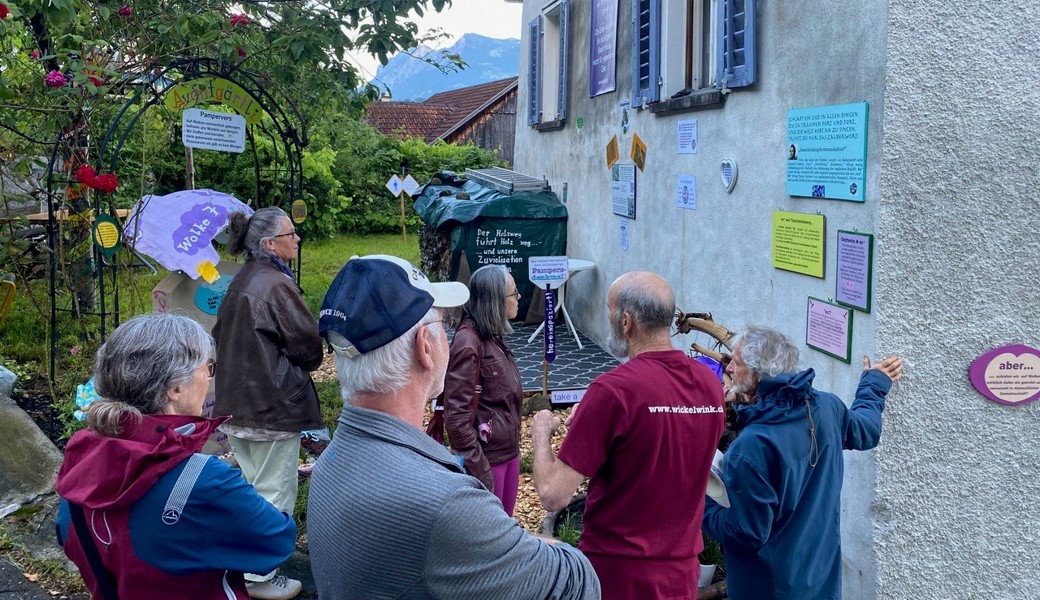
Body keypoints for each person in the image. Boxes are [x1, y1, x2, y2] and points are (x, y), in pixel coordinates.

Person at [307, 254, 601, 600]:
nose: (452, 331)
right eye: (442, 322)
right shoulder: (446, 505)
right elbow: (580, 583)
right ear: (425, 349)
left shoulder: (329, 463)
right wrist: (517, 541)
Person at [54, 313, 297, 600]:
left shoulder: (81, 456)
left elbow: (65, 533)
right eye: (208, 367)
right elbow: (276, 541)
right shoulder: (203, 481)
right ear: (175, 388)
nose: (209, 377)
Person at [532, 271, 726, 599]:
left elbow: (553, 494)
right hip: (681, 572)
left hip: (619, 573)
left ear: (626, 322)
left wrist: (540, 433)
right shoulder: (709, 385)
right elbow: (665, 445)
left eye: (609, 313)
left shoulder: (613, 391)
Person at [700, 325, 904, 600]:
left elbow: (745, 533)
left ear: (757, 372)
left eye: (736, 362)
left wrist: (701, 504)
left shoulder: (750, 448)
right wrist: (873, 384)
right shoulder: (827, 408)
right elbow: (867, 430)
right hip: (821, 582)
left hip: (767, 589)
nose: (730, 369)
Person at [212, 206, 321, 599]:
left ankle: (244, 564)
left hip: (235, 404)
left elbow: (219, 332)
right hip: (270, 407)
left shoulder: (244, 276)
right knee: (274, 492)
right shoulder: (276, 284)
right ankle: (259, 576)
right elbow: (308, 346)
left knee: (251, 489)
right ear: (270, 243)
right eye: (291, 234)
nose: (297, 239)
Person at [442, 264, 523, 515]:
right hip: (488, 462)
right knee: (490, 533)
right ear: (496, 301)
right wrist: (480, 469)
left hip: (508, 453)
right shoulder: (469, 342)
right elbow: (456, 418)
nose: (519, 298)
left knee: (505, 525)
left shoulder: (492, 335)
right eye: (514, 293)